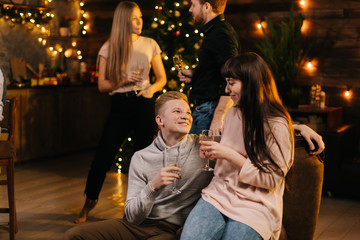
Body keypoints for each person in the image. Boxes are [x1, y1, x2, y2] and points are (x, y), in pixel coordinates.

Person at [65, 91, 213, 239]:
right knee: (75, 235)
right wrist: (152, 187)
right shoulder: (141, 157)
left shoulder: (206, 146)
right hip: (137, 225)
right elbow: (132, 216)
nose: (186, 116)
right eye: (177, 111)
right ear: (160, 120)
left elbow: (235, 135)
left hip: (171, 230)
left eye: (188, 112)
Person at [180, 52, 296, 240]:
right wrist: (216, 155)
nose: (226, 90)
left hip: (256, 204)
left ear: (250, 83)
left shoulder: (278, 125)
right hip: (218, 195)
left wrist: (228, 154)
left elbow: (270, 180)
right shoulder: (232, 114)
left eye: (231, 83)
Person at [75, 1, 167, 224]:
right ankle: (89, 202)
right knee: (103, 156)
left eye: (140, 17)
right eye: (134, 18)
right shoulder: (109, 46)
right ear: (123, 21)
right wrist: (123, 80)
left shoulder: (150, 43)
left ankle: (138, 210)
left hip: (143, 104)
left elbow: (161, 79)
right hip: (120, 104)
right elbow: (102, 85)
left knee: (143, 159)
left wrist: (150, 91)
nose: (139, 21)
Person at [179, 0, 239, 135]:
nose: (190, 10)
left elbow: (232, 76)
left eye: (193, 5)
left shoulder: (220, 33)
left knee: (203, 156)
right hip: (205, 110)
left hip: (210, 111)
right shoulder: (214, 31)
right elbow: (217, 71)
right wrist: (195, 76)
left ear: (206, 6)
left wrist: (218, 117)